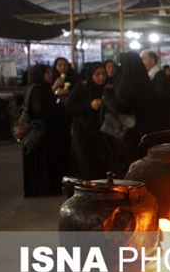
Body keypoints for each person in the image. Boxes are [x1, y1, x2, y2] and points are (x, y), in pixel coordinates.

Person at [102, 52, 166, 178]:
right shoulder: (145, 83)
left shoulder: (125, 85)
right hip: (147, 135)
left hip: (129, 137)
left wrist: (107, 96)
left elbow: (120, 107)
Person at [21, 63, 65, 197]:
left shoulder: (41, 88)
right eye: (47, 72)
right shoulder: (36, 89)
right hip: (41, 134)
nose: (51, 74)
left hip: (47, 133)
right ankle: (43, 188)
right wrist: (54, 89)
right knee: (42, 162)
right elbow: (41, 110)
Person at [66, 62, 108, 179]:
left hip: (102, 132)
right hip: (84, 131)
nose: (101, 77)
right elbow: (70, 107)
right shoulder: (81, 88)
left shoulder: (107, 88)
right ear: (91, 75)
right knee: (86, 162)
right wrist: (89, 106)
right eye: (97, 74)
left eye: (104, 74)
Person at [140, 49, 170, 128]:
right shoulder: (152, 75)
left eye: (143, 59)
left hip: (161, 118)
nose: (140, 62)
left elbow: (161, 96)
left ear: (152, 61)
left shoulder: (159, 76)